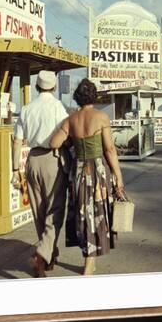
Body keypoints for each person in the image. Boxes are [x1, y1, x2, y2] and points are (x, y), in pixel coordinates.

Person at [50, 78, 125, 276]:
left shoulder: (71, 119)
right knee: (96, 214)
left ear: (77, 98)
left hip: (79, 170)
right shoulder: (101, 117)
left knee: (83, 214)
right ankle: (89, 264)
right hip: (98, 169)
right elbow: (109, 149)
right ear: (94, 96)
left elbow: (54, 143)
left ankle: (88, 258)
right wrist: (118, 177)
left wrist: (71, 143)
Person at [11, 70, 68, 278]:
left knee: (39, 210)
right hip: (52, 159)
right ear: (53, 87)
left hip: (32, 160)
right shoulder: (57, 107)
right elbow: (66, 133)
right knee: (56, 209)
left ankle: (48, 255)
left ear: (36, 86)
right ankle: (42, 254)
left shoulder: (26, 109)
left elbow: (17, 141)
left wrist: (15, 168)